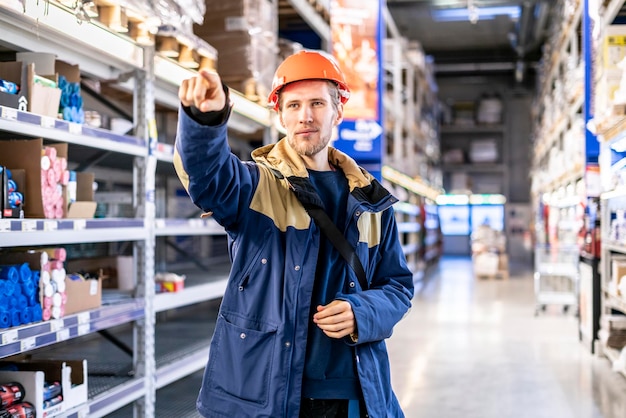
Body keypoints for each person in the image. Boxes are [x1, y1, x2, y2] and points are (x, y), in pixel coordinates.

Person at [174, 49, 414, 418]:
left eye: (318, 103)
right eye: (294, 105)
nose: (306, 115)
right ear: (280, 114)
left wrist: (361, 312)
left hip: (354, 392)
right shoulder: (256, 186)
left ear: (338, 111)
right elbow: (208, 178)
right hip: (270, 390)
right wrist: (204, 122)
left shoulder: (372, 200)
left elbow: (397, 286)